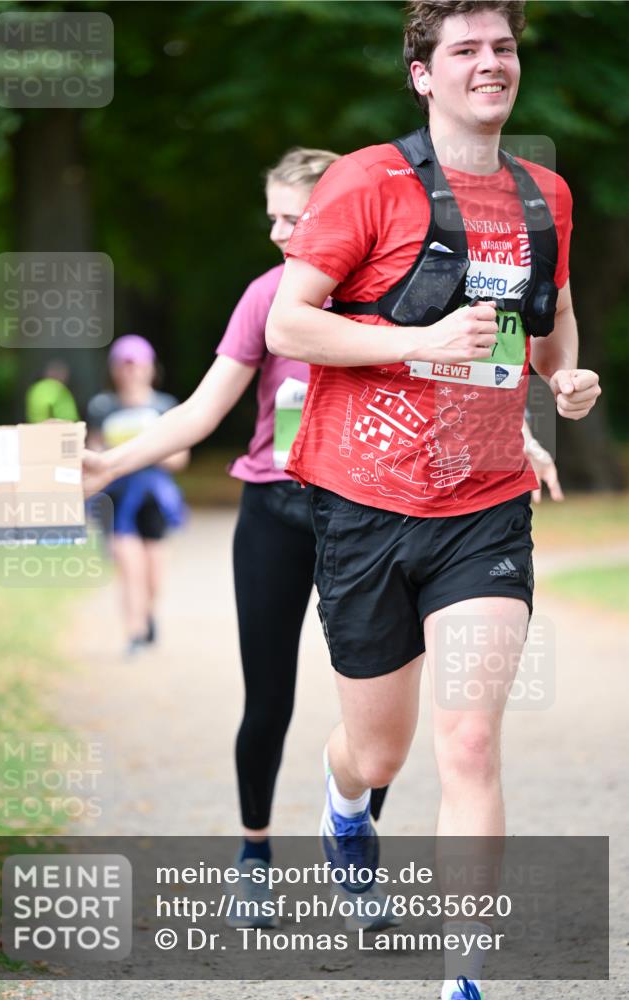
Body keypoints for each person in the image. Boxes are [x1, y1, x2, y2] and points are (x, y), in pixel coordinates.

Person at [266, 3, 600, 998]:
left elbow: (552, 320)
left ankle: (463, 977)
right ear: (423, 73)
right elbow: (291, 322)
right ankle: (345, 799)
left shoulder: (545, 196)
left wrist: (564, 377)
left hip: (485, 506)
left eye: (502, 47)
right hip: (363, 502)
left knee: (466, 737)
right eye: (465, 50)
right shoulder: (367, 180)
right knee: (381, 744)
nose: (489, 63)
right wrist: (415, 341)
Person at [82, 149, 396, 930]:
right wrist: (111, 463)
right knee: (269, 698)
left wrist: (519, 440)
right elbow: (198, 411)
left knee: (377, 714)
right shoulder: (265, 296)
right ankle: (254, 856)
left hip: (364, 518)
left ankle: (352, 846)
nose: (279, 233)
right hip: (274, 514)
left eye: (296, 218)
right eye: (273, 218)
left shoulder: (386, 293)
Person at [86, 335, 189, 657]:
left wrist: (144, 449)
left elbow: (179, 459)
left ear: (149, 368)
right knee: (129, 566)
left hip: (154, 497)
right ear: (115, 370)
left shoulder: (164, 406)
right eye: (124, 365)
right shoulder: (103, 407)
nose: (130, 372)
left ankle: (147, 614)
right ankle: (133, 632)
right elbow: (94, 454)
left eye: (136, 365)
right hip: (118, 499)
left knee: (154, 573)